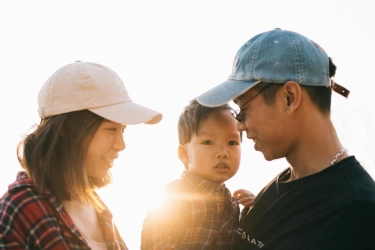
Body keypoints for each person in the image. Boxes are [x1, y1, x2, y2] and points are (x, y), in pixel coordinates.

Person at [196, 28, 375, 249]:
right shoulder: (285, 181)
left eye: (243, 108)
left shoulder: (357, 213)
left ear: (289, 98)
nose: (240, 125)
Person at [0, 61, 162, 250]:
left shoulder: (97, 206)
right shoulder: (20, 209)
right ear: (67, 129)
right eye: (111, 129)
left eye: (122, 130)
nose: (121, 145)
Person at [141, 99, 255, 249]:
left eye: (232, 143)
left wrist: (253, 210)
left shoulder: (233, 204)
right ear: (184, 154)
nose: (223, 153)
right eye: (208, 142)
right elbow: (156, 243)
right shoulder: (175, 196)